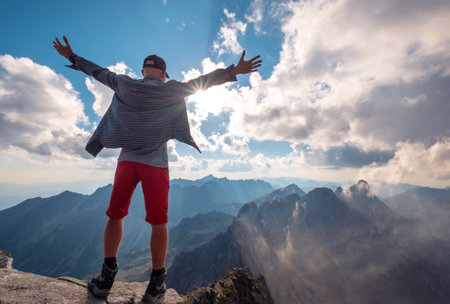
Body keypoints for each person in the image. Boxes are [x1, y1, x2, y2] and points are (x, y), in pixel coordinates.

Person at [53, 36, 262, 302]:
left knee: (116, 216)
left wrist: (71, 56)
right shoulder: (170, 89)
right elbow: (202, 83)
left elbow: (96, 71)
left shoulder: (124, 83)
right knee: (159, 222)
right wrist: (233, 71)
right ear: (163, 74)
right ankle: (156, 285)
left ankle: (105, 279)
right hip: (156, 165)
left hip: (126, 162)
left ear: (143, 71)